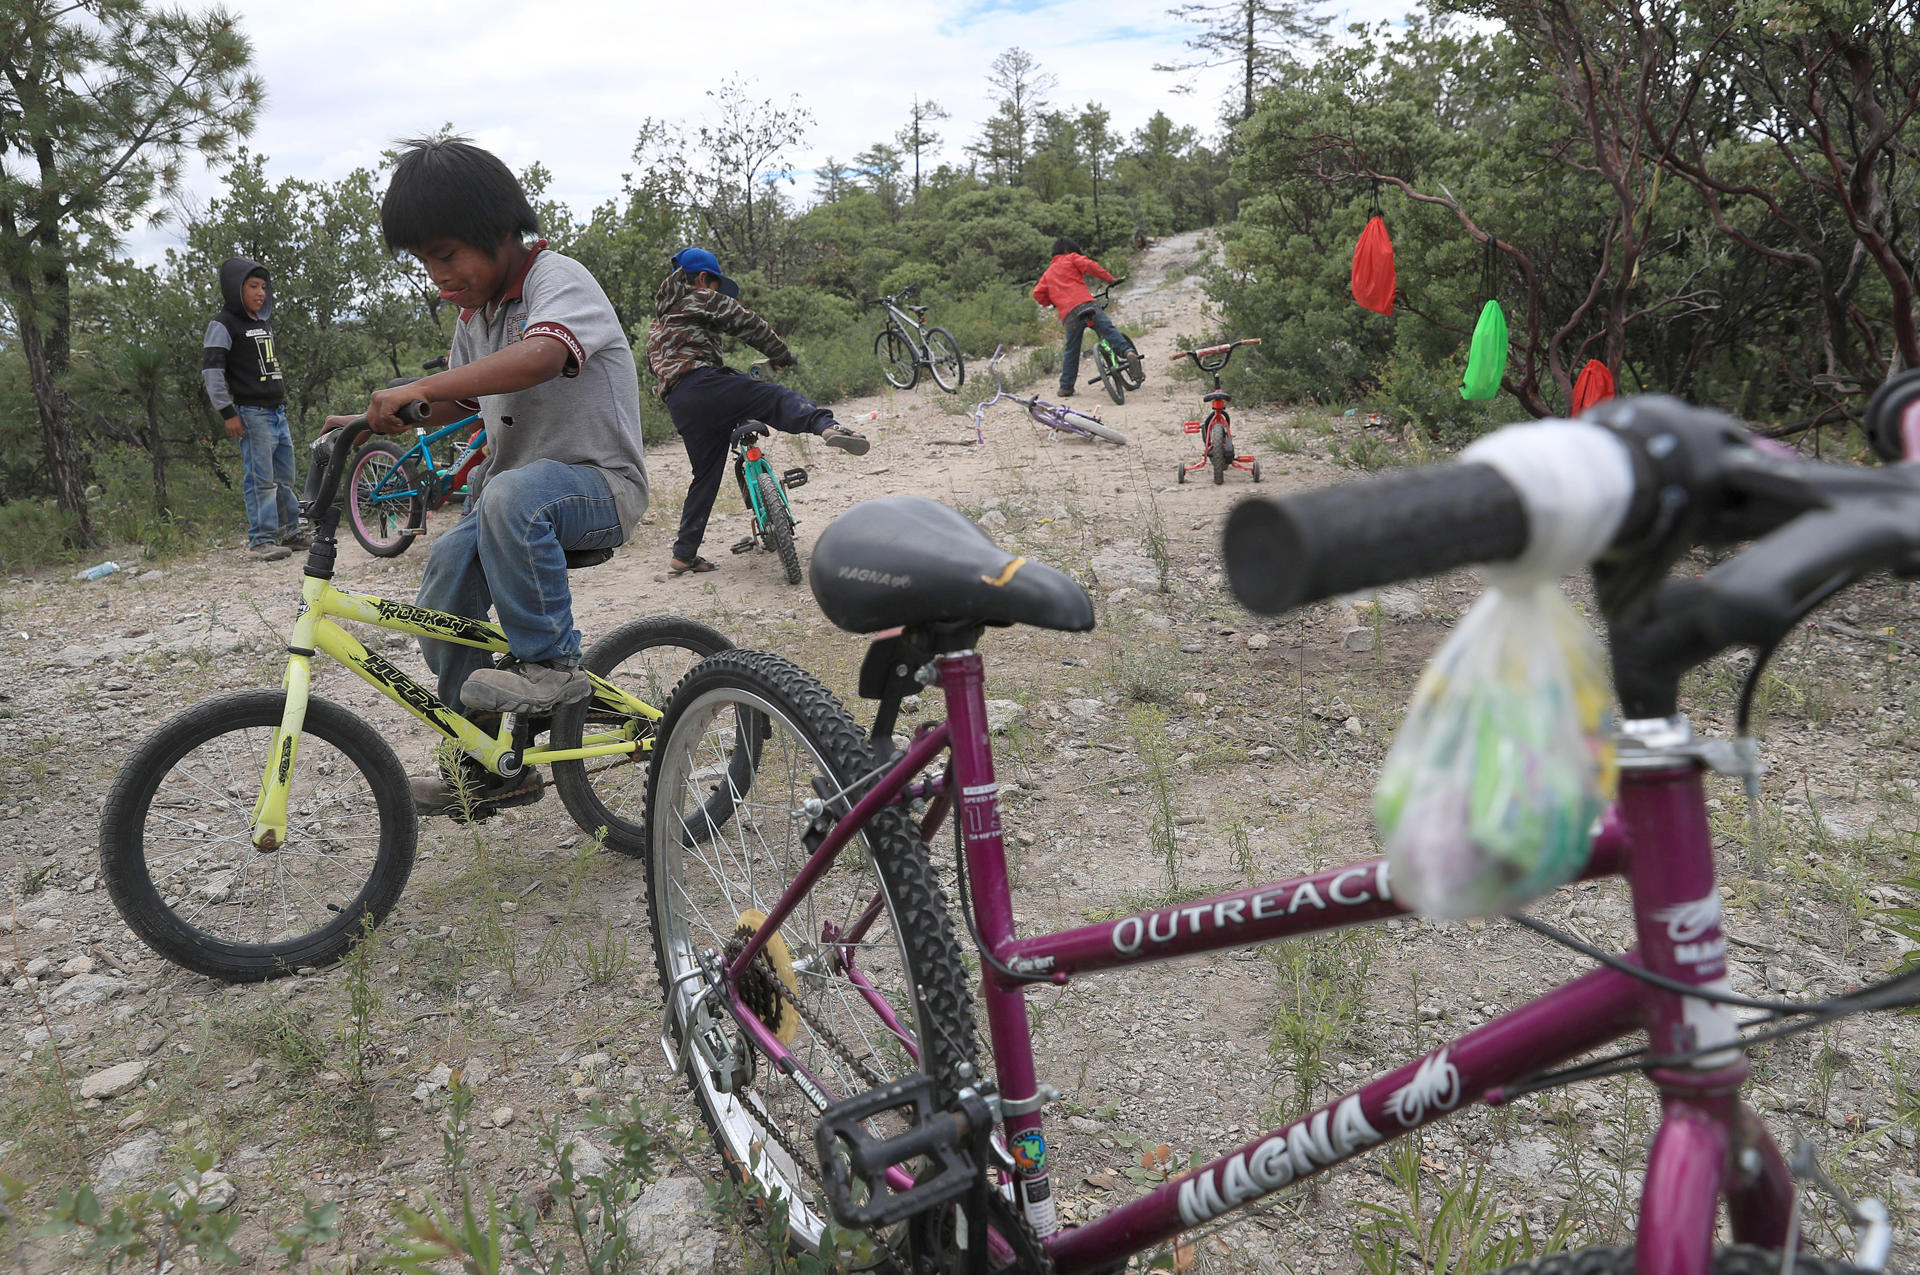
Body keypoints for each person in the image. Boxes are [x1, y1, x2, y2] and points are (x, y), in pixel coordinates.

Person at [328, 137, 651, 818]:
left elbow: (538, 358)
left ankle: (552, 665)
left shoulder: (556, 280)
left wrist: (419, 383)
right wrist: (376, 414)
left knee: (507, 493)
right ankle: (483, 755)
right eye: (424, 262)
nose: (437, 274)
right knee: (443, 579)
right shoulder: (475, 319)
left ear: (501, 232)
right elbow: (458, 400)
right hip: (513, 504)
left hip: (597, 487)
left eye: (447, 255)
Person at [646, 248, 870, 575]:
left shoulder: (661, 321)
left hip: (679, 401)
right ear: (702, 278)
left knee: (705, 476)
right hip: (703, 381)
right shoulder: (699, 296)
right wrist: (780, 353)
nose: (717, 292)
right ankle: (828, 426)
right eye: (716, 285)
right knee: (775, 398)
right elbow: (745, 321)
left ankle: (684, 554)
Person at [203, 258, 305, 561]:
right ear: (236, 288)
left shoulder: (261, 322)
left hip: (277, 412)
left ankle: (290, 531)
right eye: (253, 286)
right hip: (252, 414)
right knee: (260, 478)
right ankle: (262, 540)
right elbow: (212, 371)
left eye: (263, 287)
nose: (260, 293)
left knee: (285, 477)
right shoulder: (223, 324)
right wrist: (227, 412)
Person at [1032, 236, 1142, 397]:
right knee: (1108, 330)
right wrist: (1109, 279)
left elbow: (1037, 293)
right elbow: (1090, 265)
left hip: (1069, 315)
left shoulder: (1048, 274)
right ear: (1067, 250)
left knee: (1072, 349)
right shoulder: (1071, 258)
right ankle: (1128, 353)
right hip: (1087, 304)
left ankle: (1065, 388)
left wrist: (1053, 301)